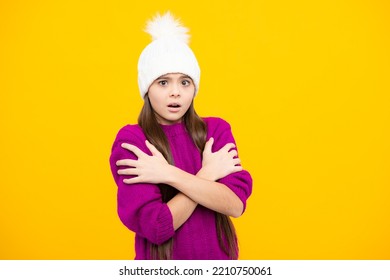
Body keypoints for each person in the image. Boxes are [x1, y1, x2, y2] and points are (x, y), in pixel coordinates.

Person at [109, 11, 252, 260]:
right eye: (163, 82)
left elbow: (235, 205)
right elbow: (157, 227)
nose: (175, 93)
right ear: (147, 88)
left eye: (184, 82)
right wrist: (208, 175)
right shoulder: (132, 141)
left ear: (194, 87)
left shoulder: (215, 131)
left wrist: (167, 174)